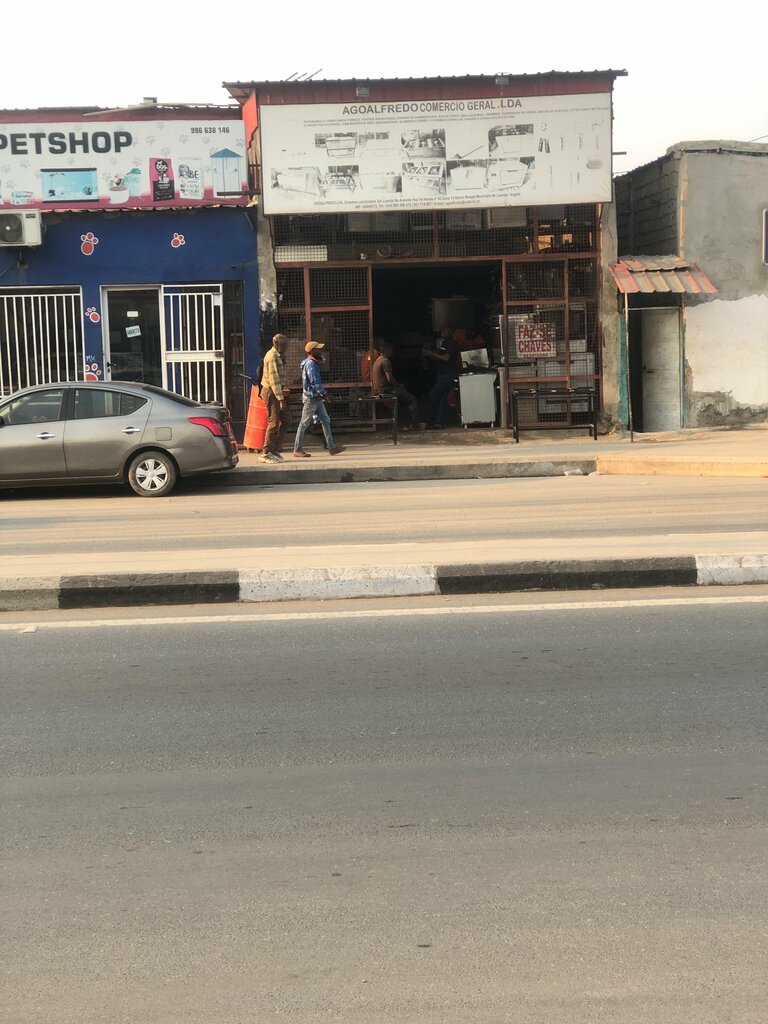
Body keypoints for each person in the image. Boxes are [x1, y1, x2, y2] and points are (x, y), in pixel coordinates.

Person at [293, 341, 345, 458]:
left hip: (315, 398)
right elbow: (315, 382)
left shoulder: (310, 363)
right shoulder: (311, 364)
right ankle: (297, 449)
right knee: (304, 423)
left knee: (325, 420)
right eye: (318, 349)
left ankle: (332, 447)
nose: (320, 351)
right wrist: (325, 394)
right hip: (312, 398)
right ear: (312, 351)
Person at [371, 341, 420, 430]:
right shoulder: (386, 361)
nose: (392, 352)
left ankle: (404, 425)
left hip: (379, 389)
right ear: (387, 350)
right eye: (391, 350)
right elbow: (390, 379)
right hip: (387, 390)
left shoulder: (377, 361)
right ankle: (415, 424)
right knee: (412, 398)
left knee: (402, 399)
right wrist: (398, 385)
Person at [259, 332, 290, 464]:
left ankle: (274, 448)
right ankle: (266, 452)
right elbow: (274, 380)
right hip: (271, 392)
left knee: (287, 419)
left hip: (276, 390)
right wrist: (281, 399)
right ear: (276, 344)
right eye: (283, 345)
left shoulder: (278, 355)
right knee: (273, 422)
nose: (286, 347)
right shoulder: (272, 357)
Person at [424, 327, 459, 429]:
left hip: (447, 375)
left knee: (433, 395)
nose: (442, 332)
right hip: (442, 374)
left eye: (445, 330)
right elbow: (439, 357)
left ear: (450, 332)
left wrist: (431, 353)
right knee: (441, 398)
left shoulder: (451, 344)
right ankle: (438, 422)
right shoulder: (444, 343)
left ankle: (433, 418)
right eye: (442, 330)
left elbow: (446, 358)